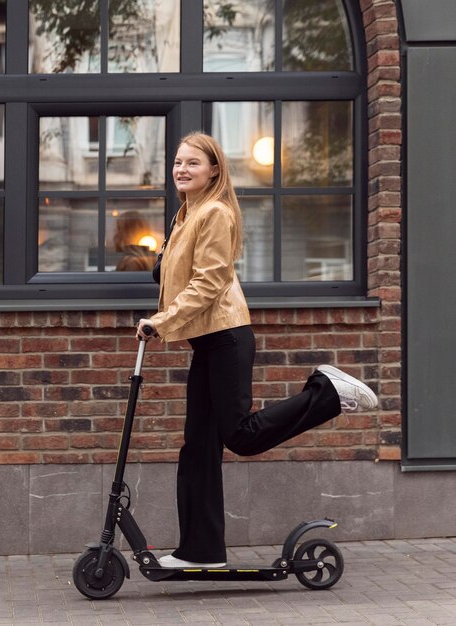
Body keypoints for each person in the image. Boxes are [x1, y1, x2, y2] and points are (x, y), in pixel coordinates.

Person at [136, 132, 378, 568]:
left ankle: (328, 393)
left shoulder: (215, 213)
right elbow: (177, 271)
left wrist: (161, 322)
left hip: (227, 338)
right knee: (198, 447)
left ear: (214, 170)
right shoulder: (184, 215)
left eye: (193, 163)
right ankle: (200, 551)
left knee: (241, 436)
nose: (182, 169)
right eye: (177, 162)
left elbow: (209, 282)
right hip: (207, 342)